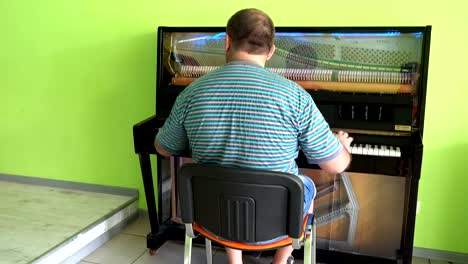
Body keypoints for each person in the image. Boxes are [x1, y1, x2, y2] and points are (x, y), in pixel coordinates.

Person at [154, 8, 353, 264]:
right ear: (271, 51)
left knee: (227, 176)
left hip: (212, 219)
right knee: (305, 185)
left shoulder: (192, 93)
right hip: (276, 222)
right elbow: (335, 165)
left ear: (227, 41)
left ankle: (234, 260)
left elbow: (163, 148)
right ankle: (280, 261)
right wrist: (340, 145)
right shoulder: (296, 97)